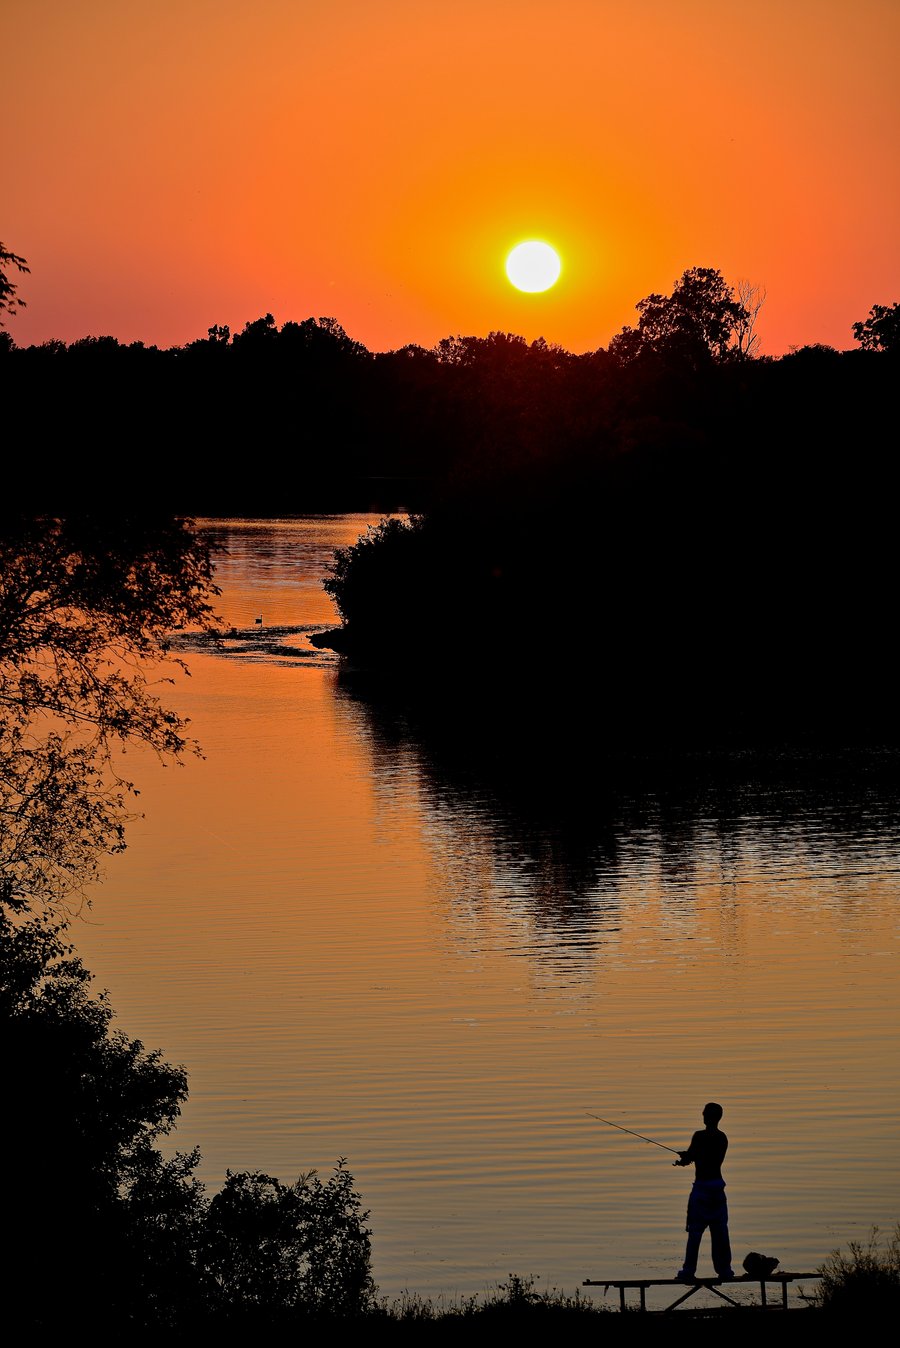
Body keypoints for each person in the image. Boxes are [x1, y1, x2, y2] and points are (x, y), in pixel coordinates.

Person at [673, 1101, 733, 1281]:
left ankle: (688, 1271)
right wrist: (690, 1156)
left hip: (702, 1190)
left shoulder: (699, 1136)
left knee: (695, 1232)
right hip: (718, 1187)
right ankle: (724, 1271)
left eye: (704, 1113)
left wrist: (684, 1159)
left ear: (707, 1116)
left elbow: (692, 1157)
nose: (702, 1115)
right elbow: (706, 1156)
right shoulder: (723, 1138)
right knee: (720, 1233)